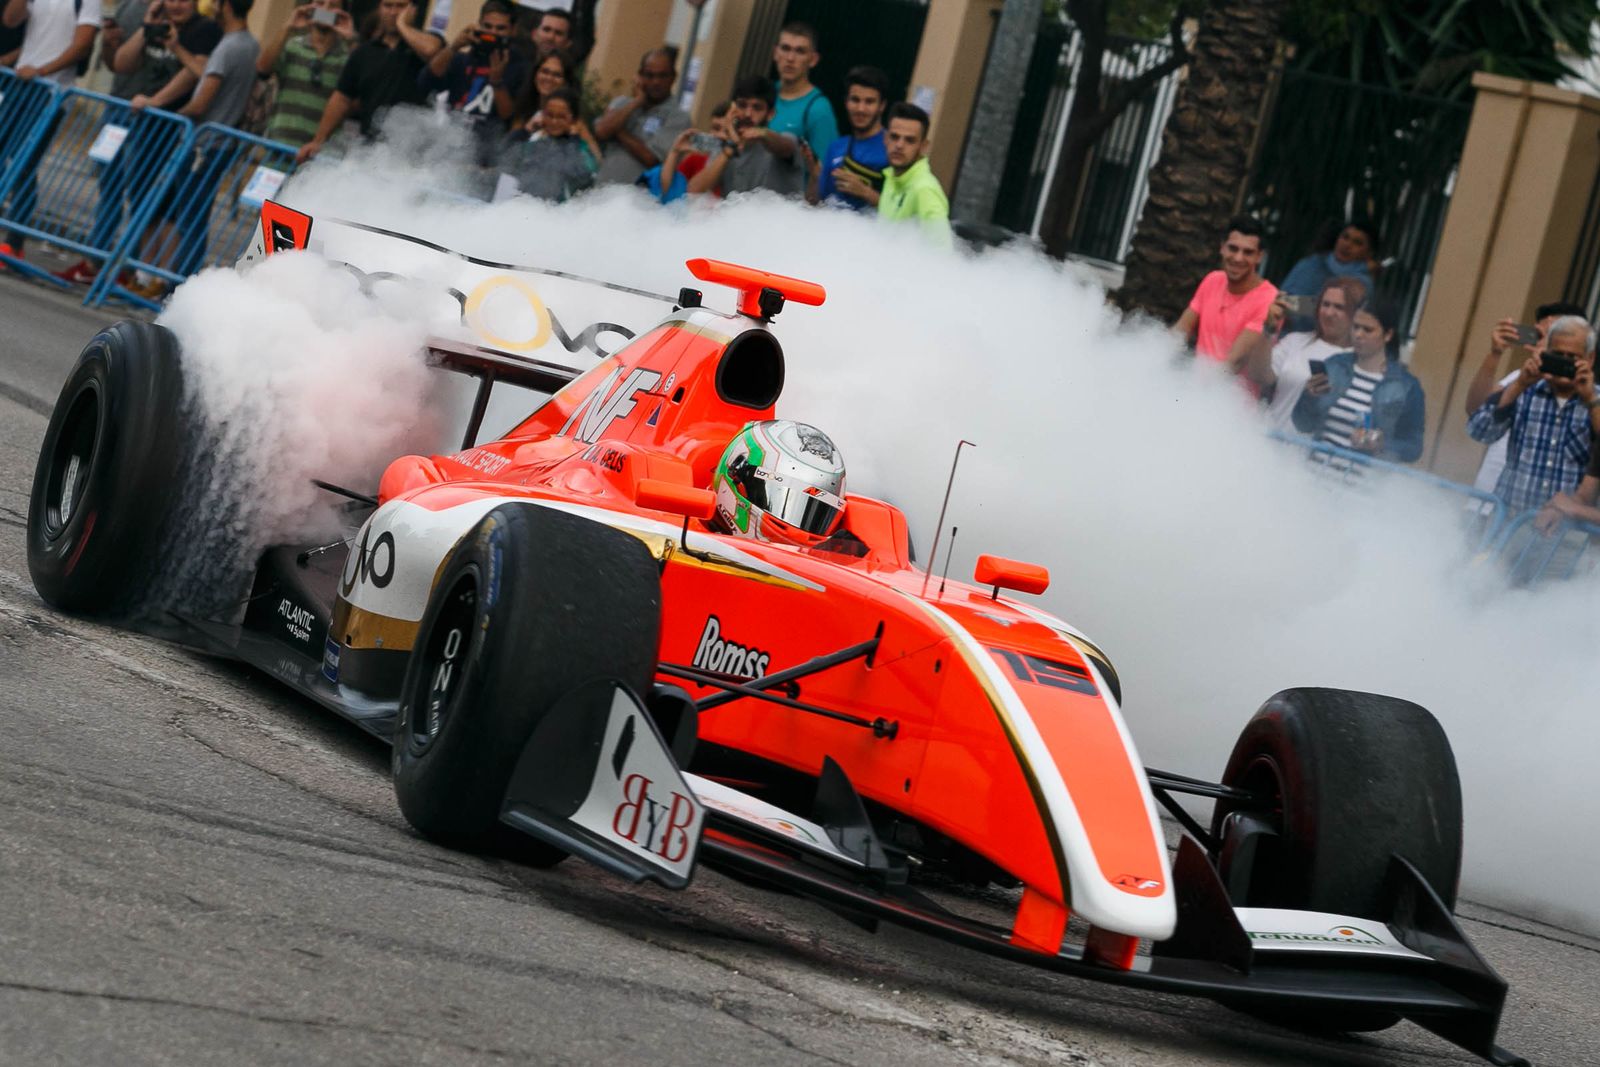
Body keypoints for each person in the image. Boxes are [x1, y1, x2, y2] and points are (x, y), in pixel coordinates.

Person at [0, 0, 100, 262]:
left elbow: (82, 44)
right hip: (20, 84)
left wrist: (42, 70)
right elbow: (11, 19)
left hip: (52, 92)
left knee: (24, 165)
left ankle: (14, 242)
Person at [1467, 315, 1599, 513]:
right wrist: (1519, 384)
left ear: (1590, 358)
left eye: (1572, 358)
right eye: (1557, 355)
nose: (1564, 364)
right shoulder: (1524, 388)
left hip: (1565, 532)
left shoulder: (1596, 400)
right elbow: (1480, 431)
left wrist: (1590, 399)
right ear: (1545, 352)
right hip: (1509, 523)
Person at [295, 0, 441, 163]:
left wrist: (402, 25)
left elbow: (431, 50)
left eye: (400, 6)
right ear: (379, 8)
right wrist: (318, 141)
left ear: (413, 10)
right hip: (369, 153)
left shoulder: (428, 41)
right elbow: (341, 98)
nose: (393, 12)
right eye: (388, 6)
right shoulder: (364, 52)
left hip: (413, 157)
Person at [1292, 297, 1425, 463]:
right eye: (1355, 327)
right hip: (1314, 475)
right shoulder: (1334, 365)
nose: (1358, 335)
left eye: (1368, 330)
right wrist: (1309, 397)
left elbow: (1414, 448)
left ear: (1388, 335)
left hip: (1363, 485)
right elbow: (1302, 424)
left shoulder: (1407, 387)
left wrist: (1381, 443)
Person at [1244, 275, 1366, 431]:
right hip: (1272, 445)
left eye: (1339, 307)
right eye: (1325, 304)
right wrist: (1268, 330)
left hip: (1318, 453)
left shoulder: (1361, 360)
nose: (1329, 313)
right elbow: (1258, 376)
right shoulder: (1295, 342)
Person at [1173, 215, 1278, 384]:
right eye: (1233, 248)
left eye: (1248, 252)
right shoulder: (1212, 280)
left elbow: (1233, 363)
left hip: (1231, 403)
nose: (1238, 258)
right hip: (1196, 392)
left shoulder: (1270, 300)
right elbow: (1180, 331)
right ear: (1222, 248)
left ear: (1259, 256)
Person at [419, 0, 524, 166]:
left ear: (513, 30)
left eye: (500, 28)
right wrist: (454, 47)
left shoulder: (520, 66)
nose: (493, 33)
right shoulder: (463, 59)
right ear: (479, 25)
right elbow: (426, 81)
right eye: (487, 26)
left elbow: (510, 117)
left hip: (487, 159)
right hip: (449, 150)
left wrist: (496, 81)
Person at [711, 420, 847, 546]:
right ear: (736, 474)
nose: (796, 532)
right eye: (780, 495)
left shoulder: (838, 556)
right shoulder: (692, 538)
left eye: (816, 515)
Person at [685, 75, 803, 199]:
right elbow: (694, 191)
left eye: (757, 107)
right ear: (732, 109)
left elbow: (786, 147)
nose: (748, 114)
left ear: (770, 114)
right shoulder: (726, 147)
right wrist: (730, 149)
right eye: (742, 105)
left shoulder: (781, 141)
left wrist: (763, 134)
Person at [256, 0, 353, 150]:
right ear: (310, 7)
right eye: (320, 3)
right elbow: (263, 68)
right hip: (278, 146)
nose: (325, 10)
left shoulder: (348, 57)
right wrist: (287, 28)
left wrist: (351, 39)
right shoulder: (292, 45)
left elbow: (358, 97)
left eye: (333, 6)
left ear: (342, 14)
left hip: (319, 155)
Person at [591, 47, 688, 187]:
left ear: (673, 78)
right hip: (601, 193)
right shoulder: (623, 103)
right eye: (649, 75)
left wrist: (617, 130)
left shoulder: (679, 118)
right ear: (640, 76)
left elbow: (651, 158)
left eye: (662, 76)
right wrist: (637, 102)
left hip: (639, 201)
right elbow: (601, 131)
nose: (656, 82)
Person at [497, 85, 596, 202]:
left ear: (573, 119)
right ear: (542, 115)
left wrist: (574, 140)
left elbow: (584, 176)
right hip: (524, 208)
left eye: (561, 117)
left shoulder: (579, 147)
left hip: (557, 212)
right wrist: (525, 131)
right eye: (550, 115)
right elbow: (503, 156)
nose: (554, 121)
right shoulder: (533, 145)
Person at [811, 65, 887, 212]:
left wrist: (866, 193)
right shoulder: (836, 147)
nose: (861, 109)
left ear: (882, 106)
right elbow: (818, 204)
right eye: (855, 100)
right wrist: (814, 175)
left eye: (869, 102)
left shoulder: (893, 148)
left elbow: (905, 214)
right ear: (846, 102)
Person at [877, 102, 949, 243]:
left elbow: (942, 255)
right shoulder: (892, 177)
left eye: (909, 140)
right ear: (886, 139)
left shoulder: (925, 189)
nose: (899, 145)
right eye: (894, 137)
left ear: (923, 146)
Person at [767, 22, 835, 163]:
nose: (790, 58)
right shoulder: (764, 93)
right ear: (775, 53)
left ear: (813, 60)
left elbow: (823, 171)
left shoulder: (819, 109)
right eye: (785, 48)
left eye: (800, 51)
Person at [646, 100, 731, 203]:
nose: (720, 135)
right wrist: (675, 151)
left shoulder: (739, 164)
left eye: (727, 131)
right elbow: (666, 190)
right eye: (716, 128)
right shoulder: (696, 160)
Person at [1278, 219, 1379, 303]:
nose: (1347, 245)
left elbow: (1333, 310)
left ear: (1368, 253)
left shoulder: (1362, 282)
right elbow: (1282, 299)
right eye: (1345, 237)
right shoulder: (1310, 263)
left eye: (1357, 243)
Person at [505, 45, 574, 136]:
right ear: (535, 74)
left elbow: (591, 150)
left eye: (557, 75)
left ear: (566, 82)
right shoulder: (524, 109)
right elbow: (509, 146)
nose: (549, 78)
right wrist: (526, 131)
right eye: (545, 72)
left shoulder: (571, 118)